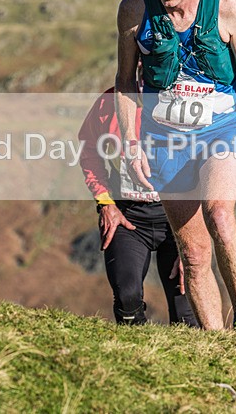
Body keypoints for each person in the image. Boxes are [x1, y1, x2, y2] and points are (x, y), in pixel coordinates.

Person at [115, 0, 236, 331]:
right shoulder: (134, 9)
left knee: (220, 213)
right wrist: (132, 146)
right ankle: (217, 344)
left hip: (221, 131)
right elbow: (125, 81)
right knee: (194, 253)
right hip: (164, 140)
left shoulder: (230, 7)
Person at [78, 84, 198, 327]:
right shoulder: (109, 101)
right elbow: (88, 148)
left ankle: (190, 364)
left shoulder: (187, 101)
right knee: (127, 300)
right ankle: (137, 359)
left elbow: (208, 168)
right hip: (128, 216)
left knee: (187, 312)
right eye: (138, 66)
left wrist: (196, 243)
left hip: (177, 220)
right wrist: (104, 202)